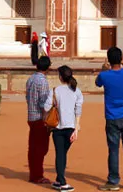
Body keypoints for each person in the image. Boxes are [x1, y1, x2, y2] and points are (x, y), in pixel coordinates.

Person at [95, 47, 123, 191]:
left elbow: (98, 83)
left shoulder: (105, 76)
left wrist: (103, 69)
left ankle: (113, 181)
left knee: (113, 149)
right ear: (120, 59)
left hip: (112, 117)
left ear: (108, 59)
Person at [43, 65, 84, 192]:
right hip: (71, 128)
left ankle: (61, 181)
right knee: (62, 154)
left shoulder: (55, 91)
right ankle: (60, 181)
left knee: (60, 154)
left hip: (57, 128)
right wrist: (76, 129)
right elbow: (78, 110)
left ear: (60, 77)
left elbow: (45, 107)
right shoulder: (76, 91)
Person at [25, 56, 53, 184]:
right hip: (39, 118)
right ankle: (37, 175)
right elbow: (43, 103)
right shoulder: (42, 82)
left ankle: (34, 173)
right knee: (40, 148)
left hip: (31, 115)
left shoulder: (30, 79)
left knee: (33, 147)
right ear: (48, 68)